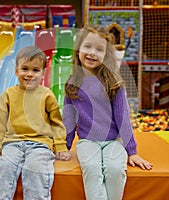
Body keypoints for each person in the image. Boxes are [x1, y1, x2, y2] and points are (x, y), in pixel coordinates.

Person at [63, 24, 152, 200]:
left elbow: (122, 118)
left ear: (106, 55)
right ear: (78, 49)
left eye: (99, 49)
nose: (92, 53)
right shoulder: (73, 84)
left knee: (115, 169)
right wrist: (64, 147)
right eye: (87, 46)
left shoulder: (113, 84)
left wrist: (132, 151)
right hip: (87, 141)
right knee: (92, 169)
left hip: (113, 141)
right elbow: (69, 119)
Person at [0, 46, 71, 200]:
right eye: (24, 69)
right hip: (12, 143)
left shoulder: (46, 95)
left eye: (35, 70)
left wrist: (60, 145)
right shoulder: (8, 95)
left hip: (40, 143)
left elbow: (56, 122)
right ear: (16, 71)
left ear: (42, 74)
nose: (29, 74)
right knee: (4, 168)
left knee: (35, 169)